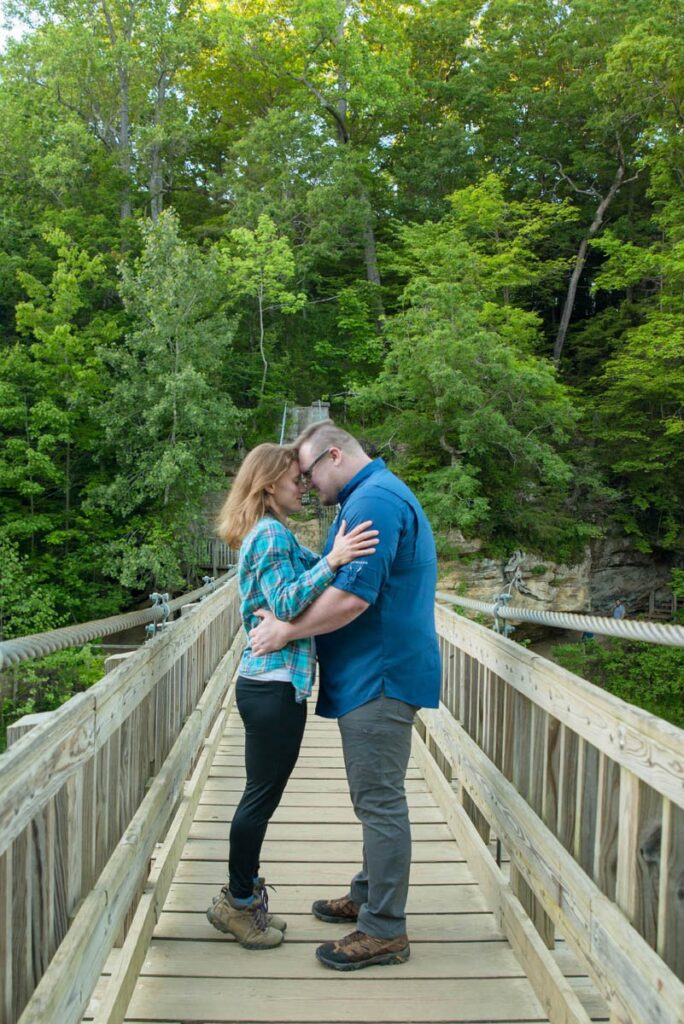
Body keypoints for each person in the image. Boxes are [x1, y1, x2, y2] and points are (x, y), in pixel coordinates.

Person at [249, 420, 441, 970]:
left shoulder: (374, 502)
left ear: (334, 456)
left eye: (308, 473)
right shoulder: (367, 498)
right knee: (372, 795)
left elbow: (354, 600)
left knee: (378, 800)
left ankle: (384, 929)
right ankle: (366, 893)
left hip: (380, 673)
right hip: (372, 671)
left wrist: (286, 632)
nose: (306, 485)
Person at [205, 442, 378, 950]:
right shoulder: (272, 533)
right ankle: (236, 904)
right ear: (268, 485)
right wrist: (337, 560)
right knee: (259, 798)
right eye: (293, 477)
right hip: (271, 686)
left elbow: (308, 574)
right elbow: (286, 599)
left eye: (305, 477)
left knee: (263, 795)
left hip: (273, 685)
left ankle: (244, 894)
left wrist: (333, 556)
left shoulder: (269, 535)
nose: (302, 484)